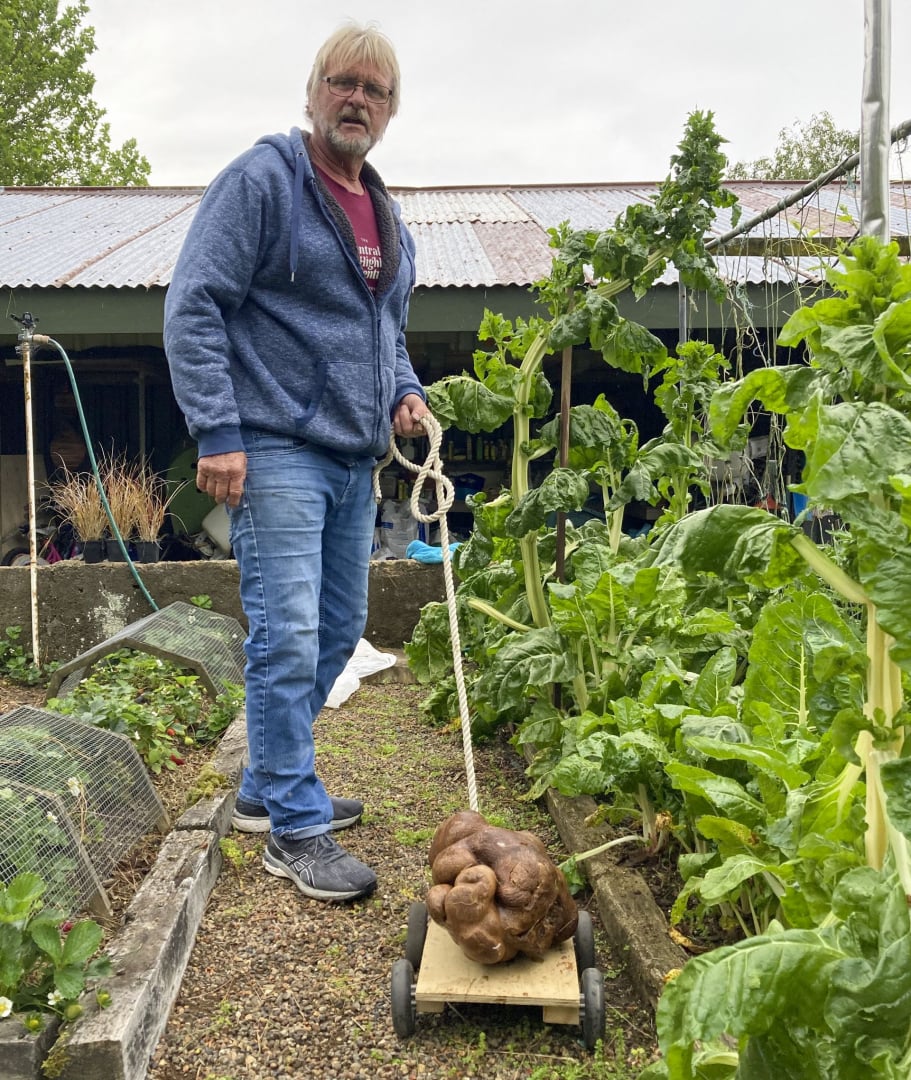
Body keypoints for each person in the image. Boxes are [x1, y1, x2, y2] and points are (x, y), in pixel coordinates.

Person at [164, 22, 429, 903]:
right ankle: (294, 826)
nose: (358, 100)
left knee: (339, 628)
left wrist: (404, 389)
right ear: (313, 91)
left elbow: (384, 331)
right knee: (288, 638)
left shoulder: (382, 212)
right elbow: (195, 304)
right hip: (273, 447)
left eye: (375, 91)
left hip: (353, 459)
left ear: (390, 111)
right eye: (343, 83)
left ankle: (261, 787)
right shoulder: (265, 182)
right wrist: (217, 430)